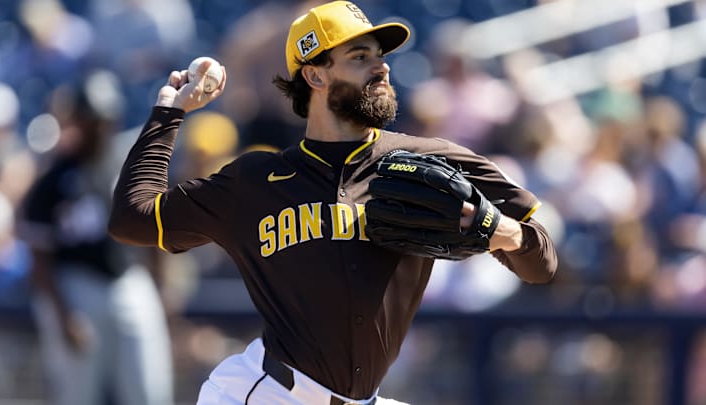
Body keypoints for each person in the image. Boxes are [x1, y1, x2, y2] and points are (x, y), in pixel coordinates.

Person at [108, 1, 557, 404]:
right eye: (360, 57)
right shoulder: (256, 180)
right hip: (267, 394)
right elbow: (132, 219)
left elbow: (543, 262)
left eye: (380, 56)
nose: (381, 68)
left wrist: (503, 232)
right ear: (315, 74)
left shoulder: (432, 159)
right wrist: (169, 111)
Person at [21, 79, 173, 405]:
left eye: (103, 119)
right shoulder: (54, 180)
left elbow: (154, 227)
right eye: (92, 119)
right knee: (78, 394)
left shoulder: (125, 165)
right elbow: (40, 260)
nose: (100, 126)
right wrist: (62, 316)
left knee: (148, 390)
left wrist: (162, 287)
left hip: (131, 282)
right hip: (77, 288)